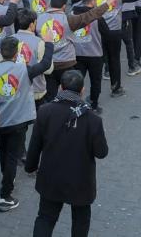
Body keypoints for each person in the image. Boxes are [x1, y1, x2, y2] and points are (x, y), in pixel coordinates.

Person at [24, 70, 108, 237]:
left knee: (45, 218)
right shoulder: (93, 119)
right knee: (80, 220)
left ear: (61, 88)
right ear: (82, 90)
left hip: (51, 177)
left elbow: (35, 145)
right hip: (81, 182)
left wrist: (30, 167)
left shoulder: (45, 111)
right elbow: (101, 153)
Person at [0, 33, 54, 213]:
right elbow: (45, 64)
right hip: (18, 121)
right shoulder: (24, 70)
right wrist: (49, 43)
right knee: (12, 156)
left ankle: (6, 177)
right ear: (16, 53)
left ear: (1, 52)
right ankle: (5, 195)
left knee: (3, 152)